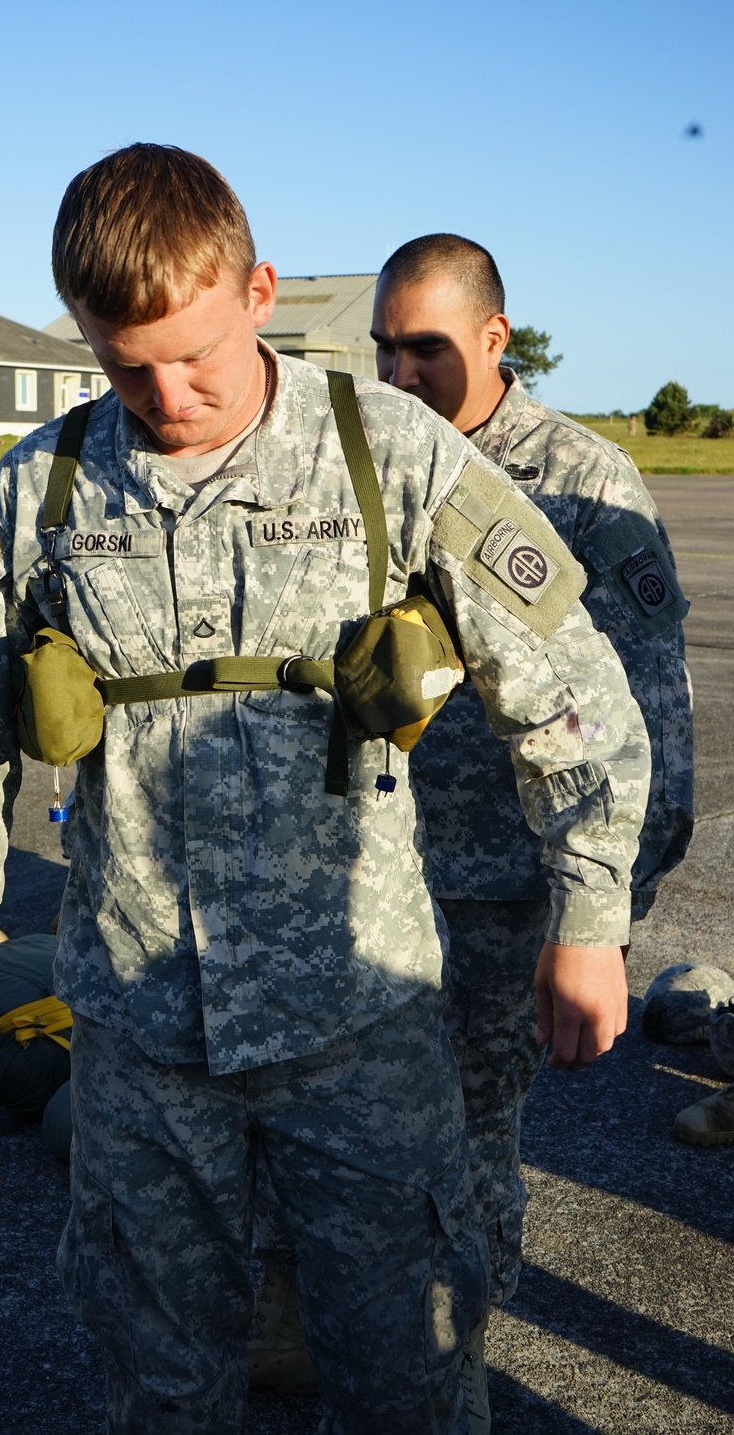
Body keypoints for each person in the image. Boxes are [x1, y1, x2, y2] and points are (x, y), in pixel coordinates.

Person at [0, 146, 651, 1435]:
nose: (166, 397)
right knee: (159, 1377)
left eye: (197, 358)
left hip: (360, 1027)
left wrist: (589, 911)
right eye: (126, 366)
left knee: (409, 1366)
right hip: (135, 1035)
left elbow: (569, 692)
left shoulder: (390, 456)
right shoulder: (45, 488)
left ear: (259, 292)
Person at [368, 233, 693, 1420]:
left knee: (470, 1133)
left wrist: (604, 907)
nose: (398, 373)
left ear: (494, 339)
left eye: (425, 348)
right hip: (377, 865)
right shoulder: (375, 464)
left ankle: (454, 1353)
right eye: (383, 349)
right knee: (351, 1120)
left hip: (506, 879)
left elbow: (651, 697)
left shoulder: (578, 478)